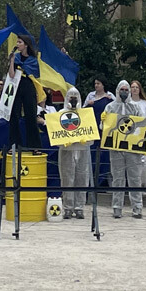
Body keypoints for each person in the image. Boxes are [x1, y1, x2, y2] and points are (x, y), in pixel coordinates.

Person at [106, 79, 146, 219]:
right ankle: (117, 207)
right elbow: (105, 128)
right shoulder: (110, 107)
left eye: (127, 90)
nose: (124, 92)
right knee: (117, 178)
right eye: (122, 90)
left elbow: (143, 126)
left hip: (132, 148)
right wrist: (105, 122)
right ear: (117, 90)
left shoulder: (136, 107)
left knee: (135, 178)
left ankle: (137, 207)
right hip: (116, 148)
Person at [57, 86, 92, 220]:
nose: (73, 99)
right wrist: (62, 141)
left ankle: (79, 207)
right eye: (70, 96)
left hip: (82, 150)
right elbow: (56, 134)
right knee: (67, 178)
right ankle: (67, 207)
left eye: (75, 96)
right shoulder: (61, 113)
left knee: (82, 178)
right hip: (66, 150)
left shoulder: (85, 114)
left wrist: (86, 140)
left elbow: (91, 135)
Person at [5, 35, 42, 149]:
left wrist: (23, 68)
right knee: (14, 114)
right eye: (17, 42)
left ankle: (34, 145)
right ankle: (15, 144)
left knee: (30, 114)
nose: (17, 44)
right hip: (16, 85)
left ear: (26, 44)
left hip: (28, 85)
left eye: (20, 42)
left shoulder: (33, 60)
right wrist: (11, 61)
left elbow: (35, 74)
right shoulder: (16, 57)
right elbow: (11, 74)